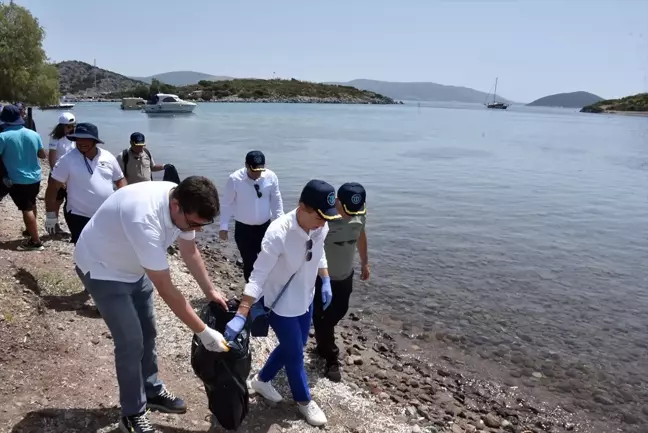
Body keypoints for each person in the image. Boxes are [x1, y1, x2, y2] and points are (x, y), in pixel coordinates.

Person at [74, 176, 230, 433]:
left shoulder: (185, 202)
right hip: (102, 269)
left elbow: (189, 250)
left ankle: (152, 390)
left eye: (202, 225)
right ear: (175, 206)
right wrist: (203, 332)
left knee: (148, 331)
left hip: (134, 267)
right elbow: (167, 290)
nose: (196, 229)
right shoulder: (144, 219)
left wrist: (210, 290)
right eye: (193, 223)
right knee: (131, 342)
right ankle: (132, 414)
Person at [223, 179, 340, 427]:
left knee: (293, 346)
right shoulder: (278, 232)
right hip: (279, 304)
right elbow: (258, 274)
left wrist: (325, 278)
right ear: (302, 207)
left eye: (327, 217)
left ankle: (262, 380)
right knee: (295, 354)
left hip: (305, 300)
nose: (324, 222)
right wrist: (242, 312)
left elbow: (319, 252)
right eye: (320, 216)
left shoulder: (320, 227)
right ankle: (304, 401)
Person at [312, 182, 370, 382]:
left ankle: (322, 342)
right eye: (347, 210)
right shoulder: (324, 220)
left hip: (345, 275)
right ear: (337, 201)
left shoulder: (359, 215)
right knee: (324, 318)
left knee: (339, 311)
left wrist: (365, 262)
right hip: (322, 279)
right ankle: (331, 358)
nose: (350, 215)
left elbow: (361, 236)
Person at [44, 123, 126, 244]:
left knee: (105, 248)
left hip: (106, 214)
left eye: (86, 139)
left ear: (95, 141)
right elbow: (52, 187)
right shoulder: (67, 159)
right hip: (78, 215)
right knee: (84, 251)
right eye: (78, 139)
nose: (81, 142)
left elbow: (120, 179)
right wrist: (51, 215)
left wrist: (124, 201)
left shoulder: (108, 157)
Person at [219, 150, 284, 282]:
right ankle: (251, 294)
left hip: (265, 228)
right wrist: (223, 226)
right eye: (254, 170)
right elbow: (227, 204)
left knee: (269, 260)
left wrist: (281, 223)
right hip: (244, 230)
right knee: (249, 263)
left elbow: (276, 201)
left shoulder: (271, 177)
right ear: (246, 165)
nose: (257, 173)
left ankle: (266, 292)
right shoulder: (234, 179)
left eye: (260, 170)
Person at [0, 105, 47, 251]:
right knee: (32, 203)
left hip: (17, 179)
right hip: (35, 177)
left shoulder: (3, 137)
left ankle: (36, 242)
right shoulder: (34, 134)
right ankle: (30, 230)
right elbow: (42, 155)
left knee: (26, 208)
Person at [46, 112, 77, 234]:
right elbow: (52, 157)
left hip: (72, 174)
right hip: (58, 174)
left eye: (73, 126)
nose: (71, 128)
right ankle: (53, 225)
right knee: (56, 201)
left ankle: (73, 227)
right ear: (62, 126)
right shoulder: (55, 139)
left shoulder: (74, 137)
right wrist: (57, 177)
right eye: (68, 126)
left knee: (72, 200)